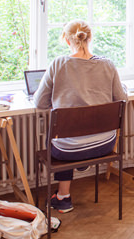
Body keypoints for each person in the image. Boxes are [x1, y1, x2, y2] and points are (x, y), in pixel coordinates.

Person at [34, 20, 127, 213]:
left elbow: (40, 103)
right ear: (90, 38)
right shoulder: (108, 65)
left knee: (63, 139)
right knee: (73, 135)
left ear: (67, 40)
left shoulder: (58, 64)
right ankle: (77, 172)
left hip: (67, 150)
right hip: (104, 144)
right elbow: (122, 98)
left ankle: (64, 197)